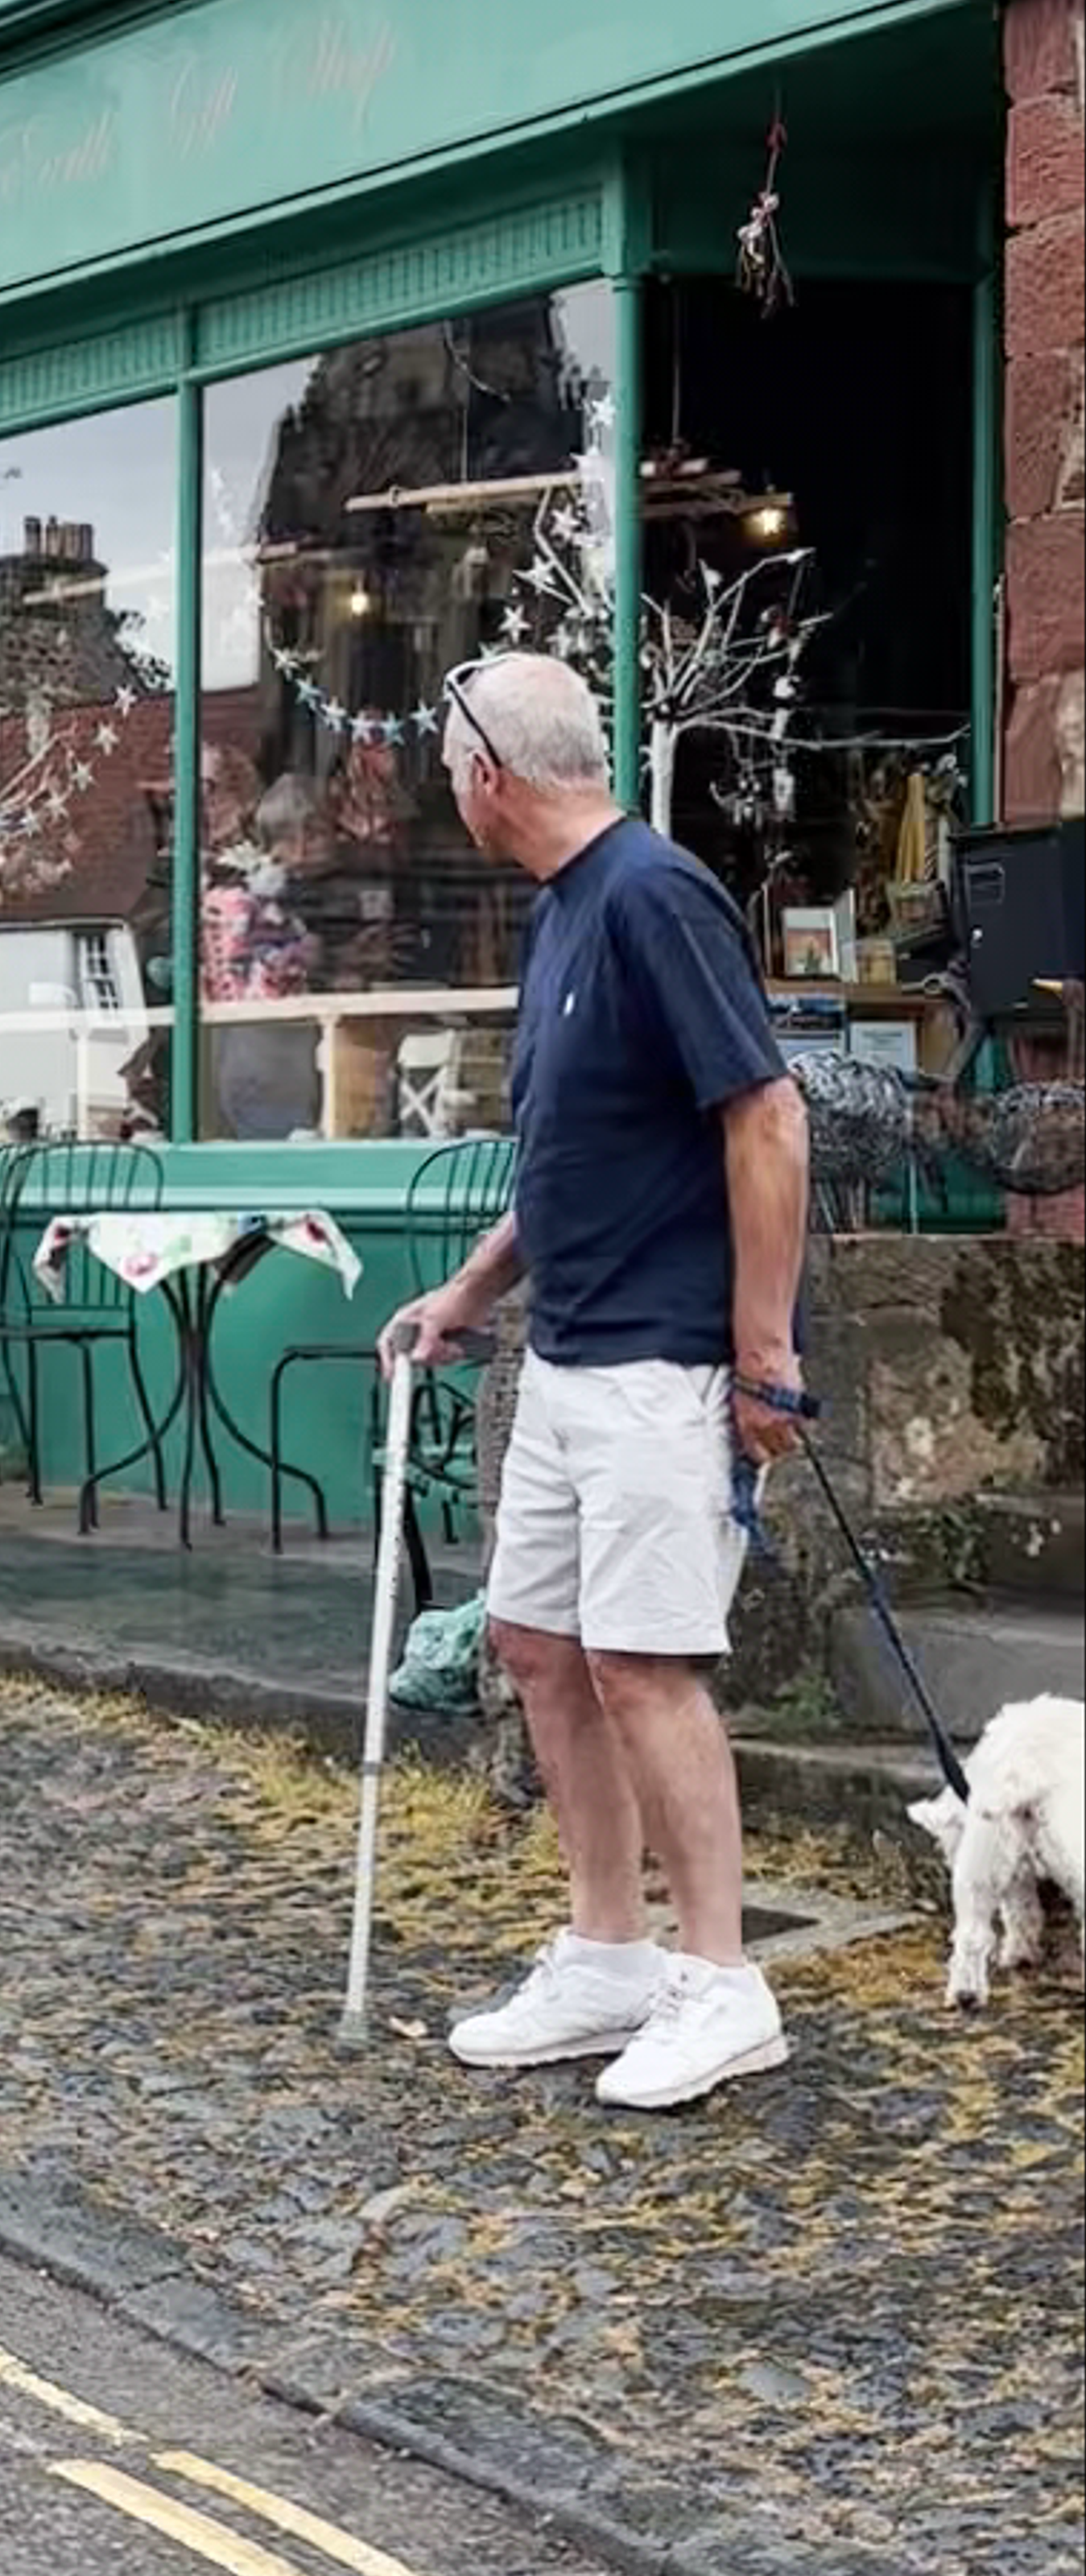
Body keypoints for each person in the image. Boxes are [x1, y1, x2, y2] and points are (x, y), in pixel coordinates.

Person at [378, 648, 811, 2113]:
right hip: (567, 1352)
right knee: (535, 1643)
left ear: (489, 773)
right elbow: (580, 1151)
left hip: (659, 1363)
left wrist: (766, 1353)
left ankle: (721, 1980)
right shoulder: (568, 913)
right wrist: (472, 1289)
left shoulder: (652, 893)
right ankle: (609, 1953)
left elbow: (766, 1117)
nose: (447, 792)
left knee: (644, 1662)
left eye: (447, 768)